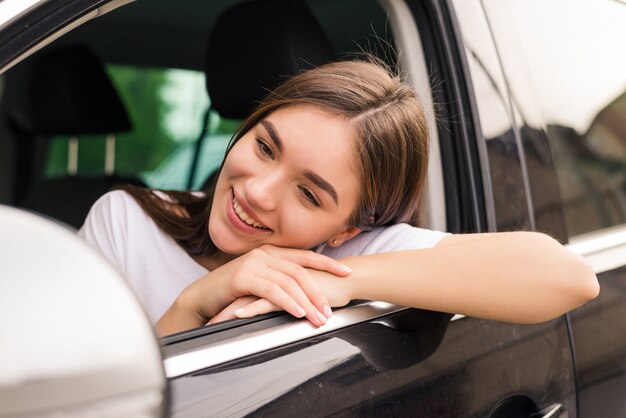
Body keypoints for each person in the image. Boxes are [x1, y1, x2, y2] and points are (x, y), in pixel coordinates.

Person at [79, 60, 599, 337]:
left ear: (348, 228)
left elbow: (567, 277)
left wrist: (332, 285)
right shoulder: (128, 223)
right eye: (264, 146)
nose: (256, 191)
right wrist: (195, 302)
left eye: (308, 193)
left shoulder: (348, 255)